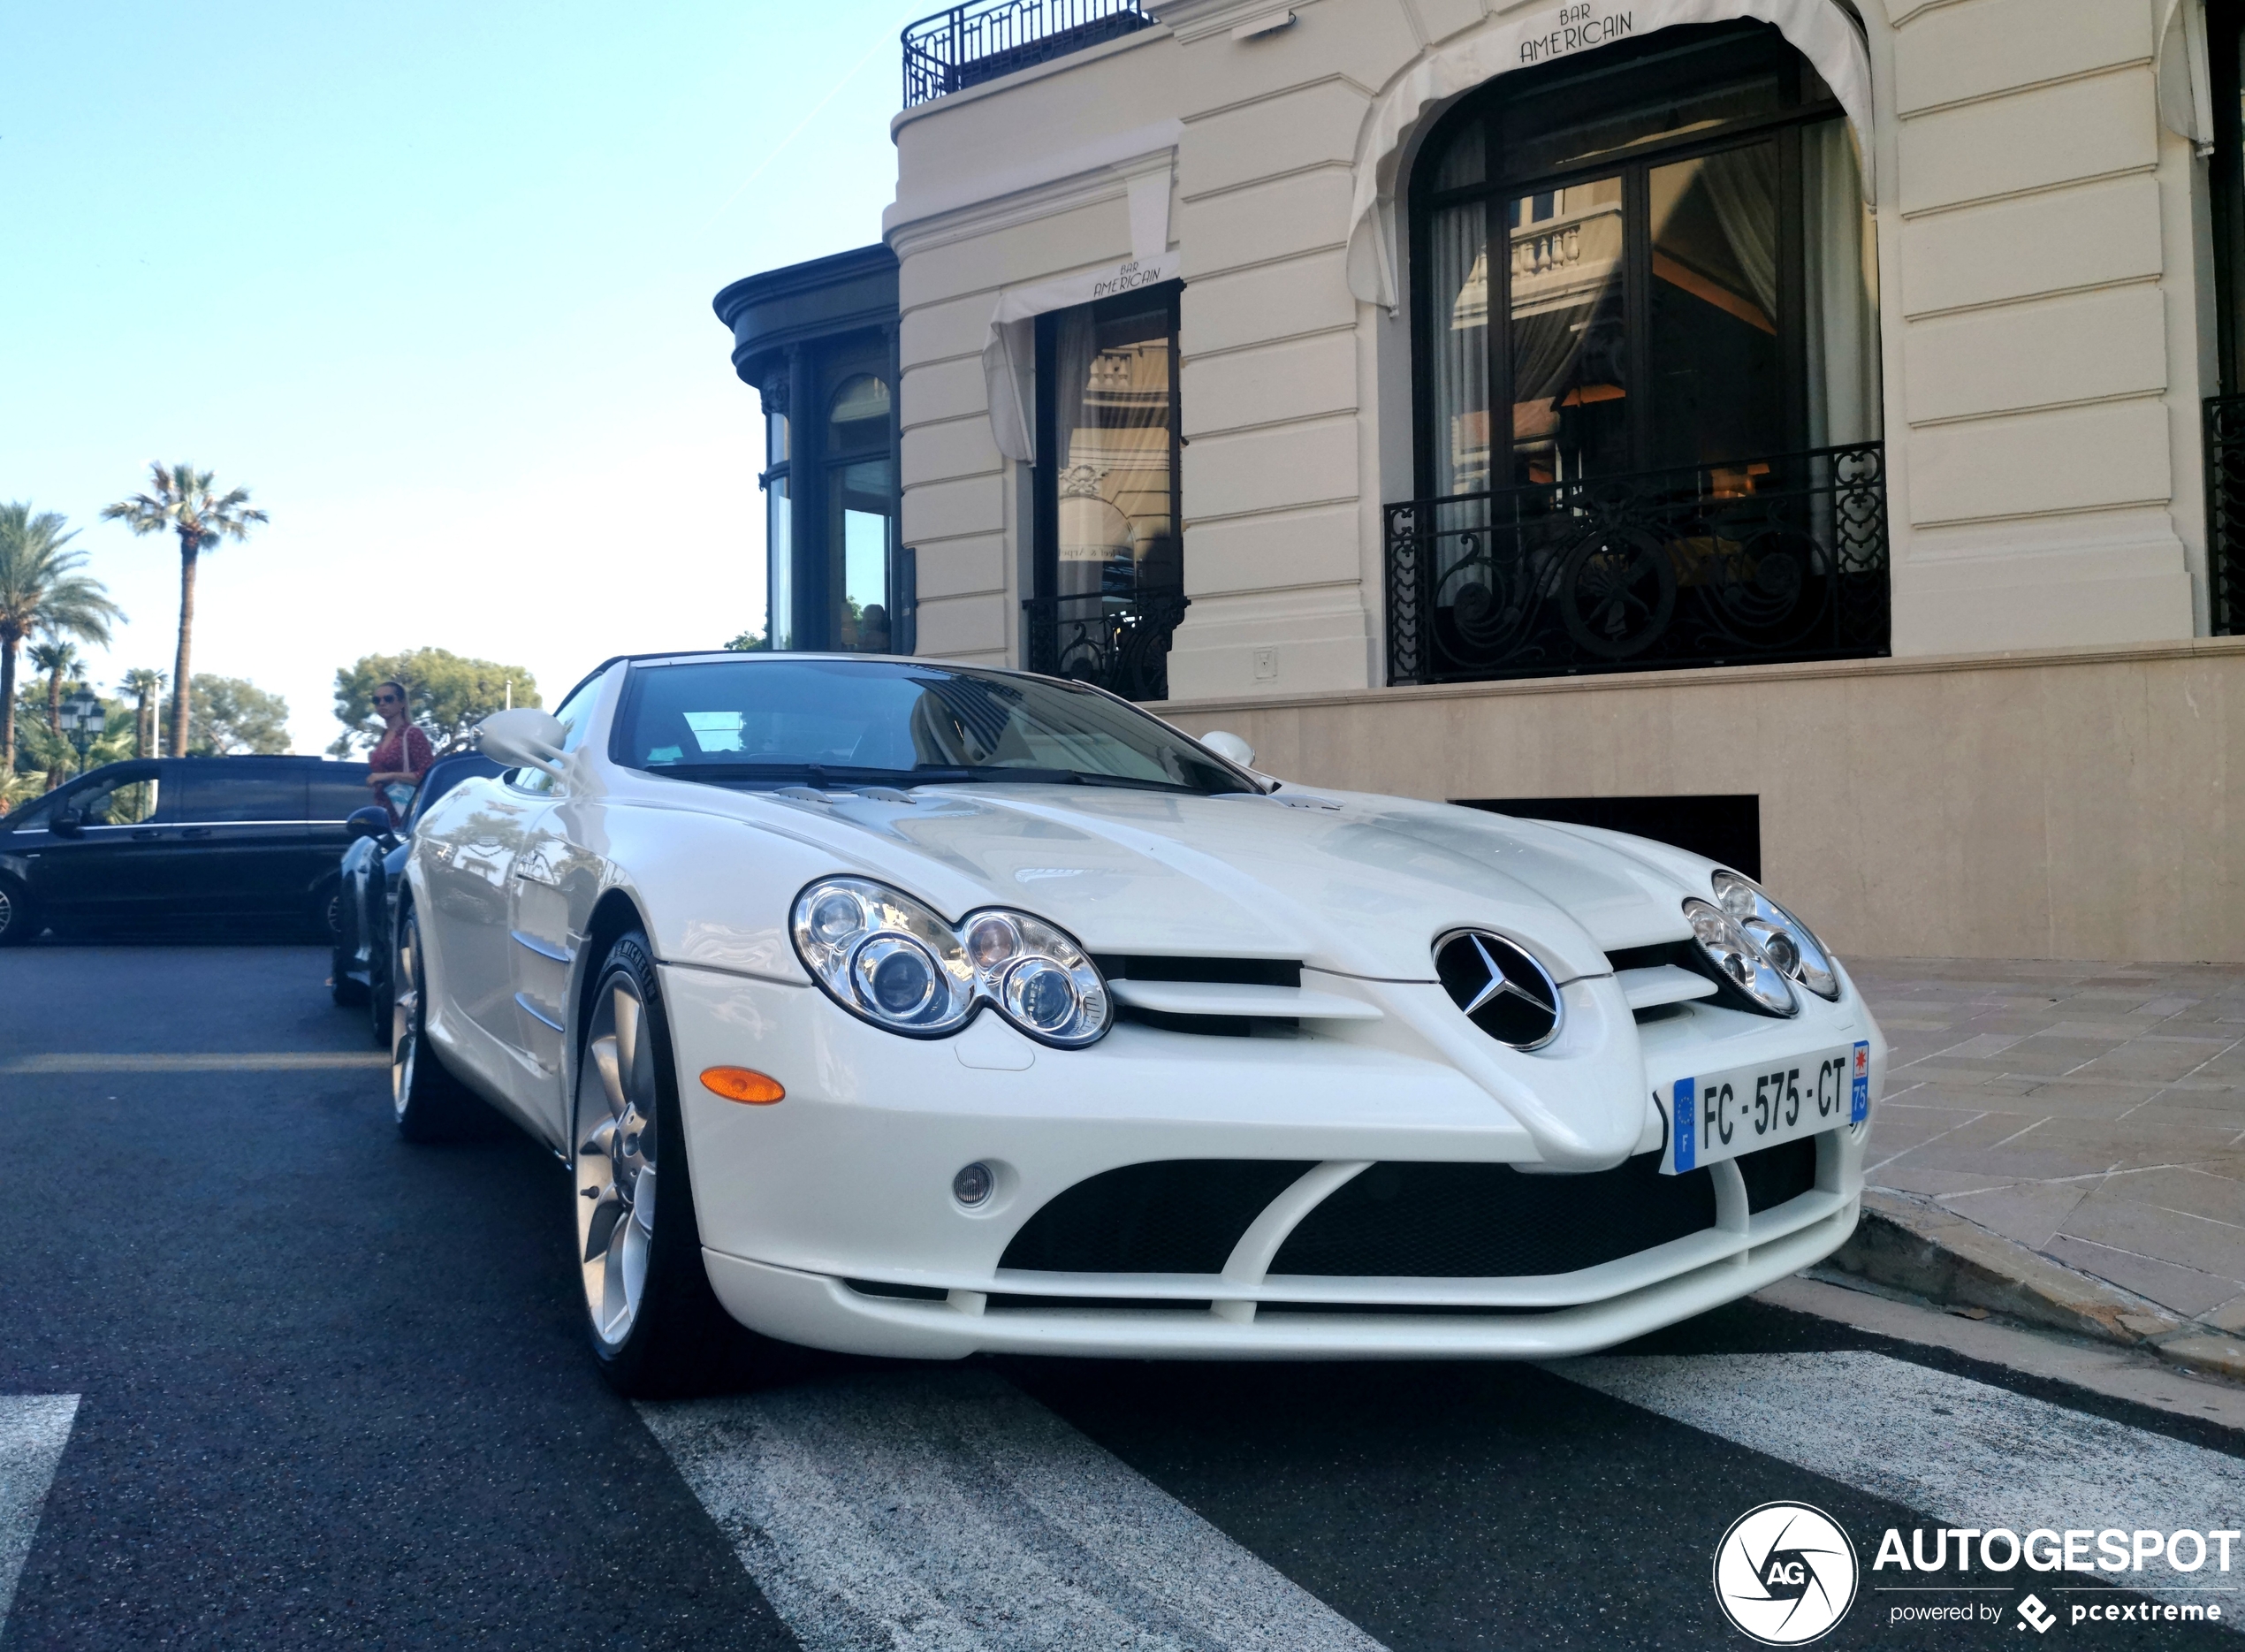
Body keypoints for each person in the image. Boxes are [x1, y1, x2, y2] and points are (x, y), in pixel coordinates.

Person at [365, 680, 434, 826]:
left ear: (402, 703)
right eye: (377, 700)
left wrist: (389, 775)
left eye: (388, 699)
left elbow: (427, 775)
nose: (382, 703)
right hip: (384, 812)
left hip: (406, 813)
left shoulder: (412, 734)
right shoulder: (384, 736)